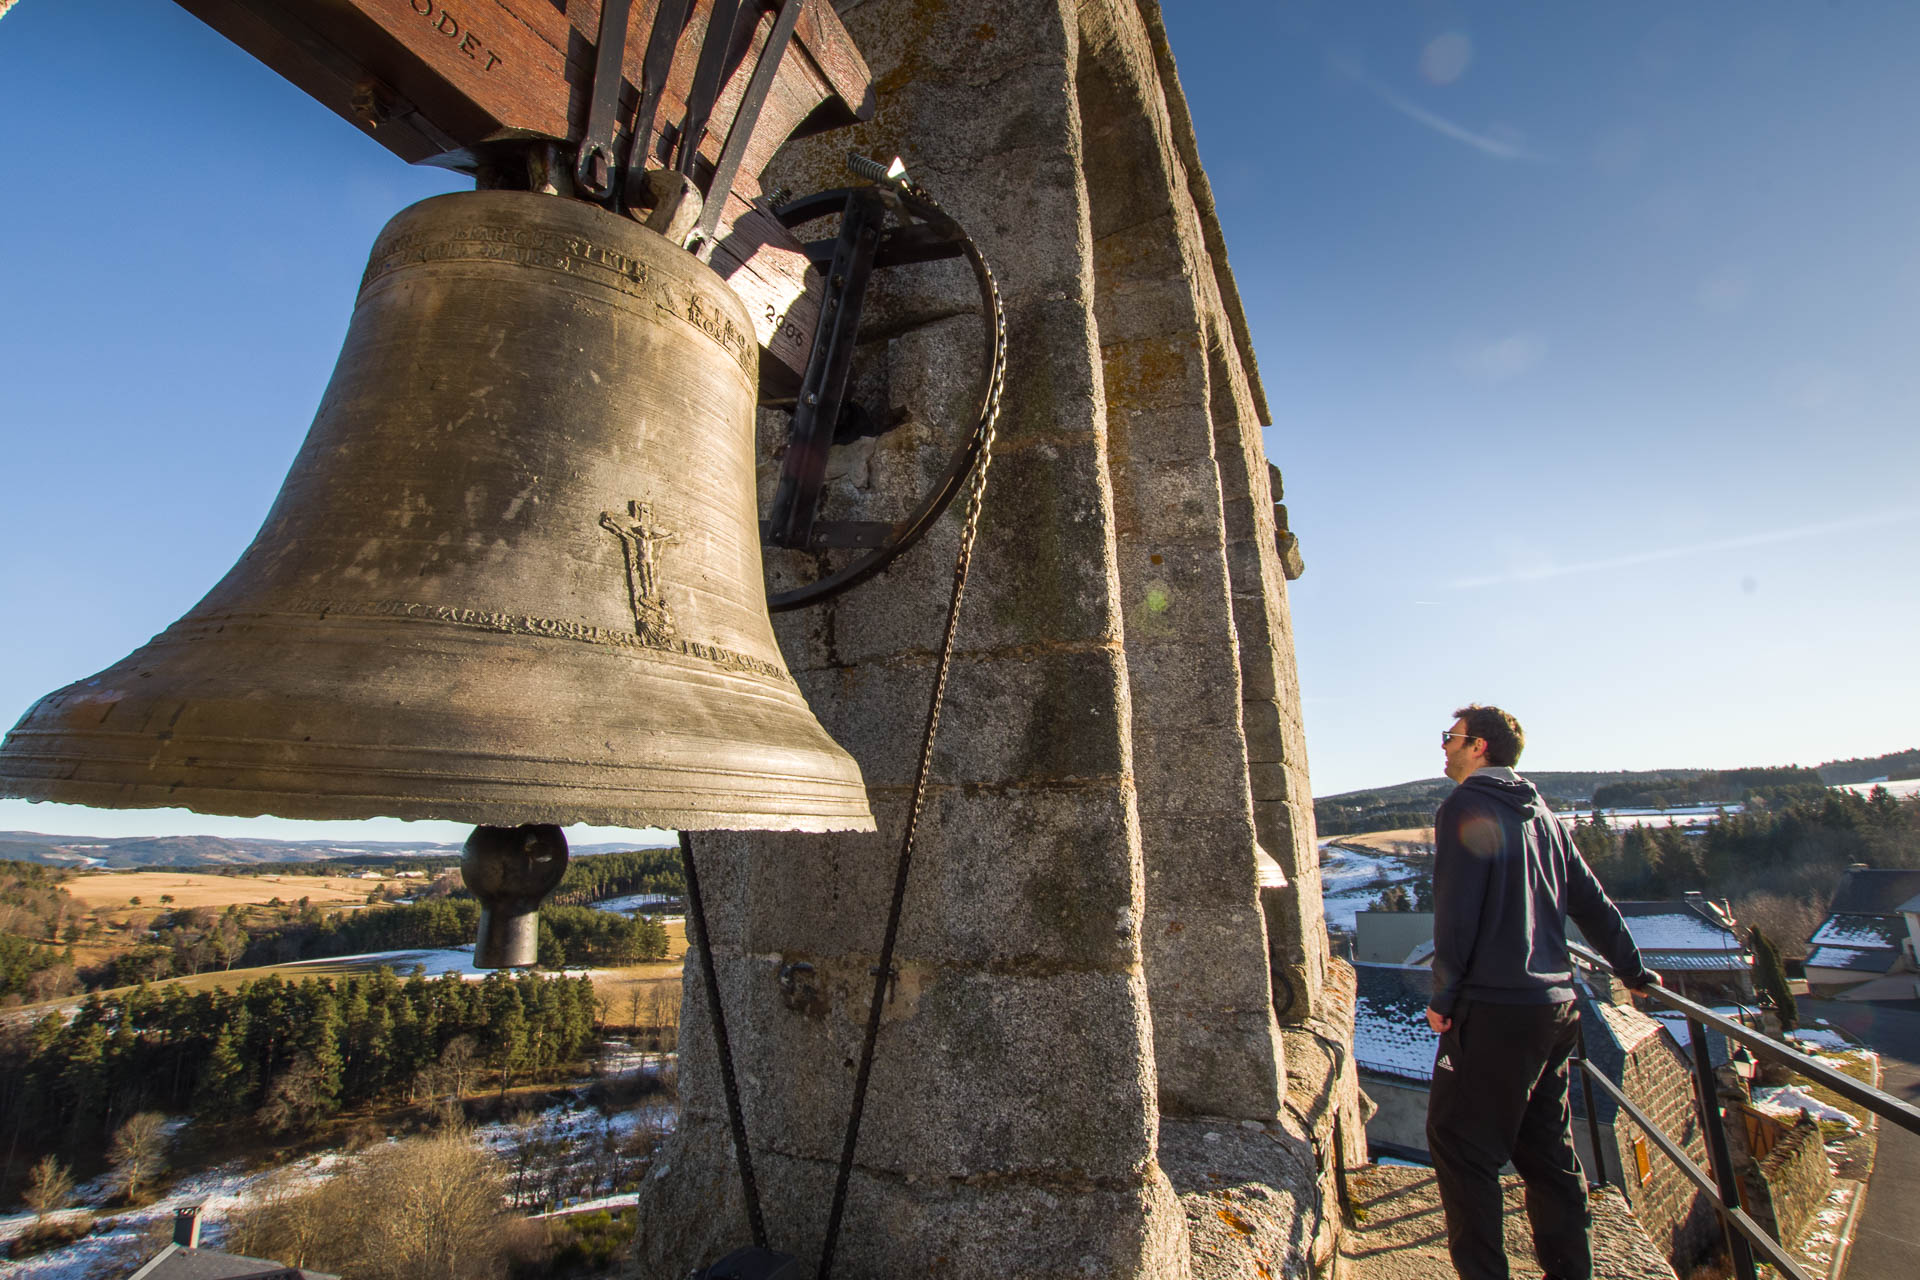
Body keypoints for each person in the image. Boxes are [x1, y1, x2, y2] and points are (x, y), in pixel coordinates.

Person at [1425, 704, 1660, 1280]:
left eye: (1450, 737)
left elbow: (1458, 912)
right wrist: (1632, 971)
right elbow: (1593, 902)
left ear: (1478, 746)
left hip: (1495, 1006)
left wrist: (1444, 996)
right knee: (1547, 1155)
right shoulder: (1544, 816)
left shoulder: (1465, 805)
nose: (1444, 747)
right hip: (1556, 1008)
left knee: (1460, 1148)